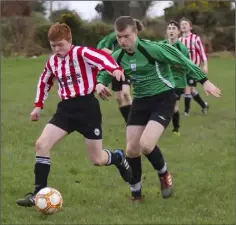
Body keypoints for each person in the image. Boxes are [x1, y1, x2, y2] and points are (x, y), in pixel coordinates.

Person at [96, 16, 221, 201]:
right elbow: (105, 72)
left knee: (146, 144)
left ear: (135, 33)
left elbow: (182, 60)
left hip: (163, 97)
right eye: (119, 36)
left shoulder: (152, 48)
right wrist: (100, 84)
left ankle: (164, 174)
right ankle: (136, 194)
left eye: (126, 36)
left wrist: (205, 81)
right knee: (131, 149)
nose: (122, 41)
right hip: (140, 101)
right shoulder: (117, 55)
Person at [16, 23, 133, 207]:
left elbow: (102, 57)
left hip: (87, 108)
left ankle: (118, 157)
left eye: (60, 44)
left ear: (70, 41)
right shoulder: (52, 61)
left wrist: (114, 69)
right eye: (53, 45)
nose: (56, 49)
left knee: (97, 159)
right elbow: (44, 81)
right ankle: (38, 193)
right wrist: (38, 106)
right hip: (66, 110)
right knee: (41, 144)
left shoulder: (82, 53)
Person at [96, 19, 144, 123]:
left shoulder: (135, 40)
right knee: (118, 98)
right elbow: (100, 48)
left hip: (126, 68)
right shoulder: (115, 36)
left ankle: (136, 117)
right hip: (115, 68)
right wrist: (115, 54)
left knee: (126, 93)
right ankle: (129, 121)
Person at [161, 20, 190, 136]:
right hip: (163, 80)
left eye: (174, 29)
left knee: (174, 107)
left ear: (178, 32)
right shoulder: (162, 45)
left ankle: (176, 129)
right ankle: (159, 127)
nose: (171, 31)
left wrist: (176, 64)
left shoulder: (182, 48)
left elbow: (187, 66)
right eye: (169, 28)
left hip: (178, 82)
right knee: (162, 105)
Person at [179, 17, 209, 116]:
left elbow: (202, 52)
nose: (183, 25)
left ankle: (186, 112)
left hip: (193, 68)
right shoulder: (179, 40)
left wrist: (205, 65)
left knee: (187, 88)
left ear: (190, 27)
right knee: (190, 90)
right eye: (182, 24)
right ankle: (203, 105)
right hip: (183, 69)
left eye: (185, 24)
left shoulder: (195, 38)